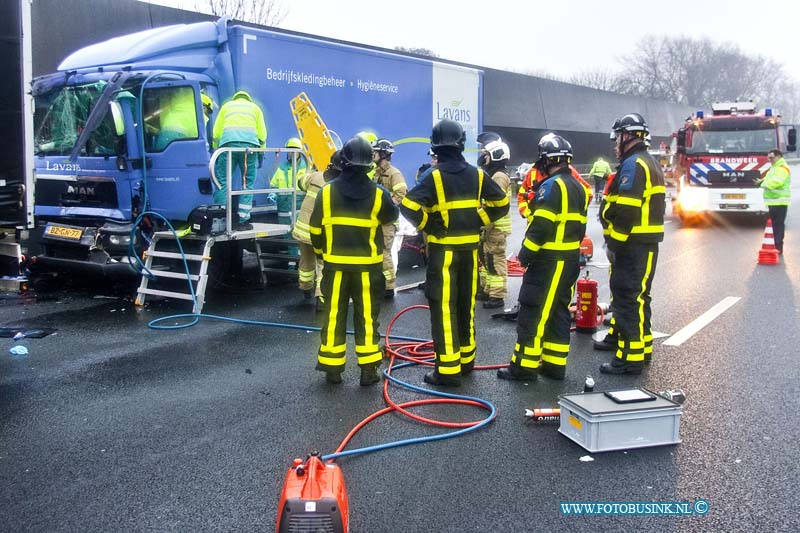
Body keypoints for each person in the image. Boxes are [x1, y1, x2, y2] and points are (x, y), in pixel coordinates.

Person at [400, 119, 509, 387]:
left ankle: (448, 371)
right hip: (470, 253)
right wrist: (478, 219)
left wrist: (429, 224)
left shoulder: (433, 176)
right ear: (460, 144)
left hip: (444, 253)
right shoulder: (478, 174)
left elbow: (407, 205)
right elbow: (502, 203)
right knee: (464, 306)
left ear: (436, 146)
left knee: (444, 308)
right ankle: (466, 360)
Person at [497, 134, 588, 381]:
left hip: (548, 262)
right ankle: (554, 365)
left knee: (533, 313)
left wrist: (524, 256)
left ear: (547, 160)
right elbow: (580, 228)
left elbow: (540, 227)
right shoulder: (578, 187)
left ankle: (523, 368)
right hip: (569, 260)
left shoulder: (550, 186)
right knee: (558, 312)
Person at [309, 136, 399, 385]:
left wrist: (320, 253)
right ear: (369, 163)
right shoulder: (379, 194)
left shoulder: (326, 193)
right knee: (367, 318)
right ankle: (368, 370)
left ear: (344, 162)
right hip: (367, 269)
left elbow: (315, 230)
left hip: (335, 267)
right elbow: (392, 215)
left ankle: (332, 369)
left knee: (334, 315)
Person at [597, 113, 666, 375]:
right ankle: (641, 348)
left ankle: (630, 359)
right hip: (644, 243)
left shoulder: (633, 165)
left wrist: (613, 243)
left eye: (618, 137)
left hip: (632, 244)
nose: (616, 143)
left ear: (628, 136)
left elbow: (626, 210)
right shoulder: (648, 162)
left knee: (627, 299)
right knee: (639, 299)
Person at [293, 150, 342, 309]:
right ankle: (321, 297)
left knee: (306, 262)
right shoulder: (340, 186)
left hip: (303, 230)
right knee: (323, 264)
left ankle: (305, 288)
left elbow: (300, 183)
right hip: (321, 233)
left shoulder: (315, 177)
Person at [212, 90, 267, 230]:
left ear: (236, 98)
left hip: (227, 146)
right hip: (249, 148)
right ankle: (243, 219)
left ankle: (221, 216)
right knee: (247, 183)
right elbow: (262, 136)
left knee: (222, 181)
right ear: (248, 99)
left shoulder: (226, 107)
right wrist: (261, 155)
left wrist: (215, 150)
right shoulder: (255, 109)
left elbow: (216, 133)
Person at [476, 138, 513, 309]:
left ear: (496, 156)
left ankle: (497, 296)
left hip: (495, 228)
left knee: (495, 260)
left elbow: (493, 205)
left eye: (486, 156)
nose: (483, 159)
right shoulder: (495, 175)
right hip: (490, 227)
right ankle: (487, 290)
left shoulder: (498, 177)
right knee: (487, 260)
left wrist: (481, 222)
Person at [372, 139, 408, 298]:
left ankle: (389, 286)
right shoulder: (376, 173)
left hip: (387, 221)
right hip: (376, 220)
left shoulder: (394, 173)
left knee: (384, 252)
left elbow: (401, 194)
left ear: (384, 154)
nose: (373, 154)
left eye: (376, 151)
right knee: (377, 251)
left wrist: (386, 207)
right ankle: (380, 282)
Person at [758, 149, 791, 254]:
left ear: (779, 156)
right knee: (775, 225)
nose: (770, 160)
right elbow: (769, 180)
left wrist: (762, 184)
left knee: (778, 225)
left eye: (771, 158)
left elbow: (776, 182)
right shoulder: (775, 167)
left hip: (779, 201)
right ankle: (775, 246)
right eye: (768, 158)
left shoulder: (782, 168)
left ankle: (778, 248)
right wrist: (761, 181)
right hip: (774, 202)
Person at [271, 137, 309, 226]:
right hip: (283, 207)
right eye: (290, 150)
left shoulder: (307, 168)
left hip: (300, 207)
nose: (292, 153)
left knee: (299, 234)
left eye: (295, 150)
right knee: (286, 234)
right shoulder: (282, 167)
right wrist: (272, 194)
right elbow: (274, 185)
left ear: (300, 152)